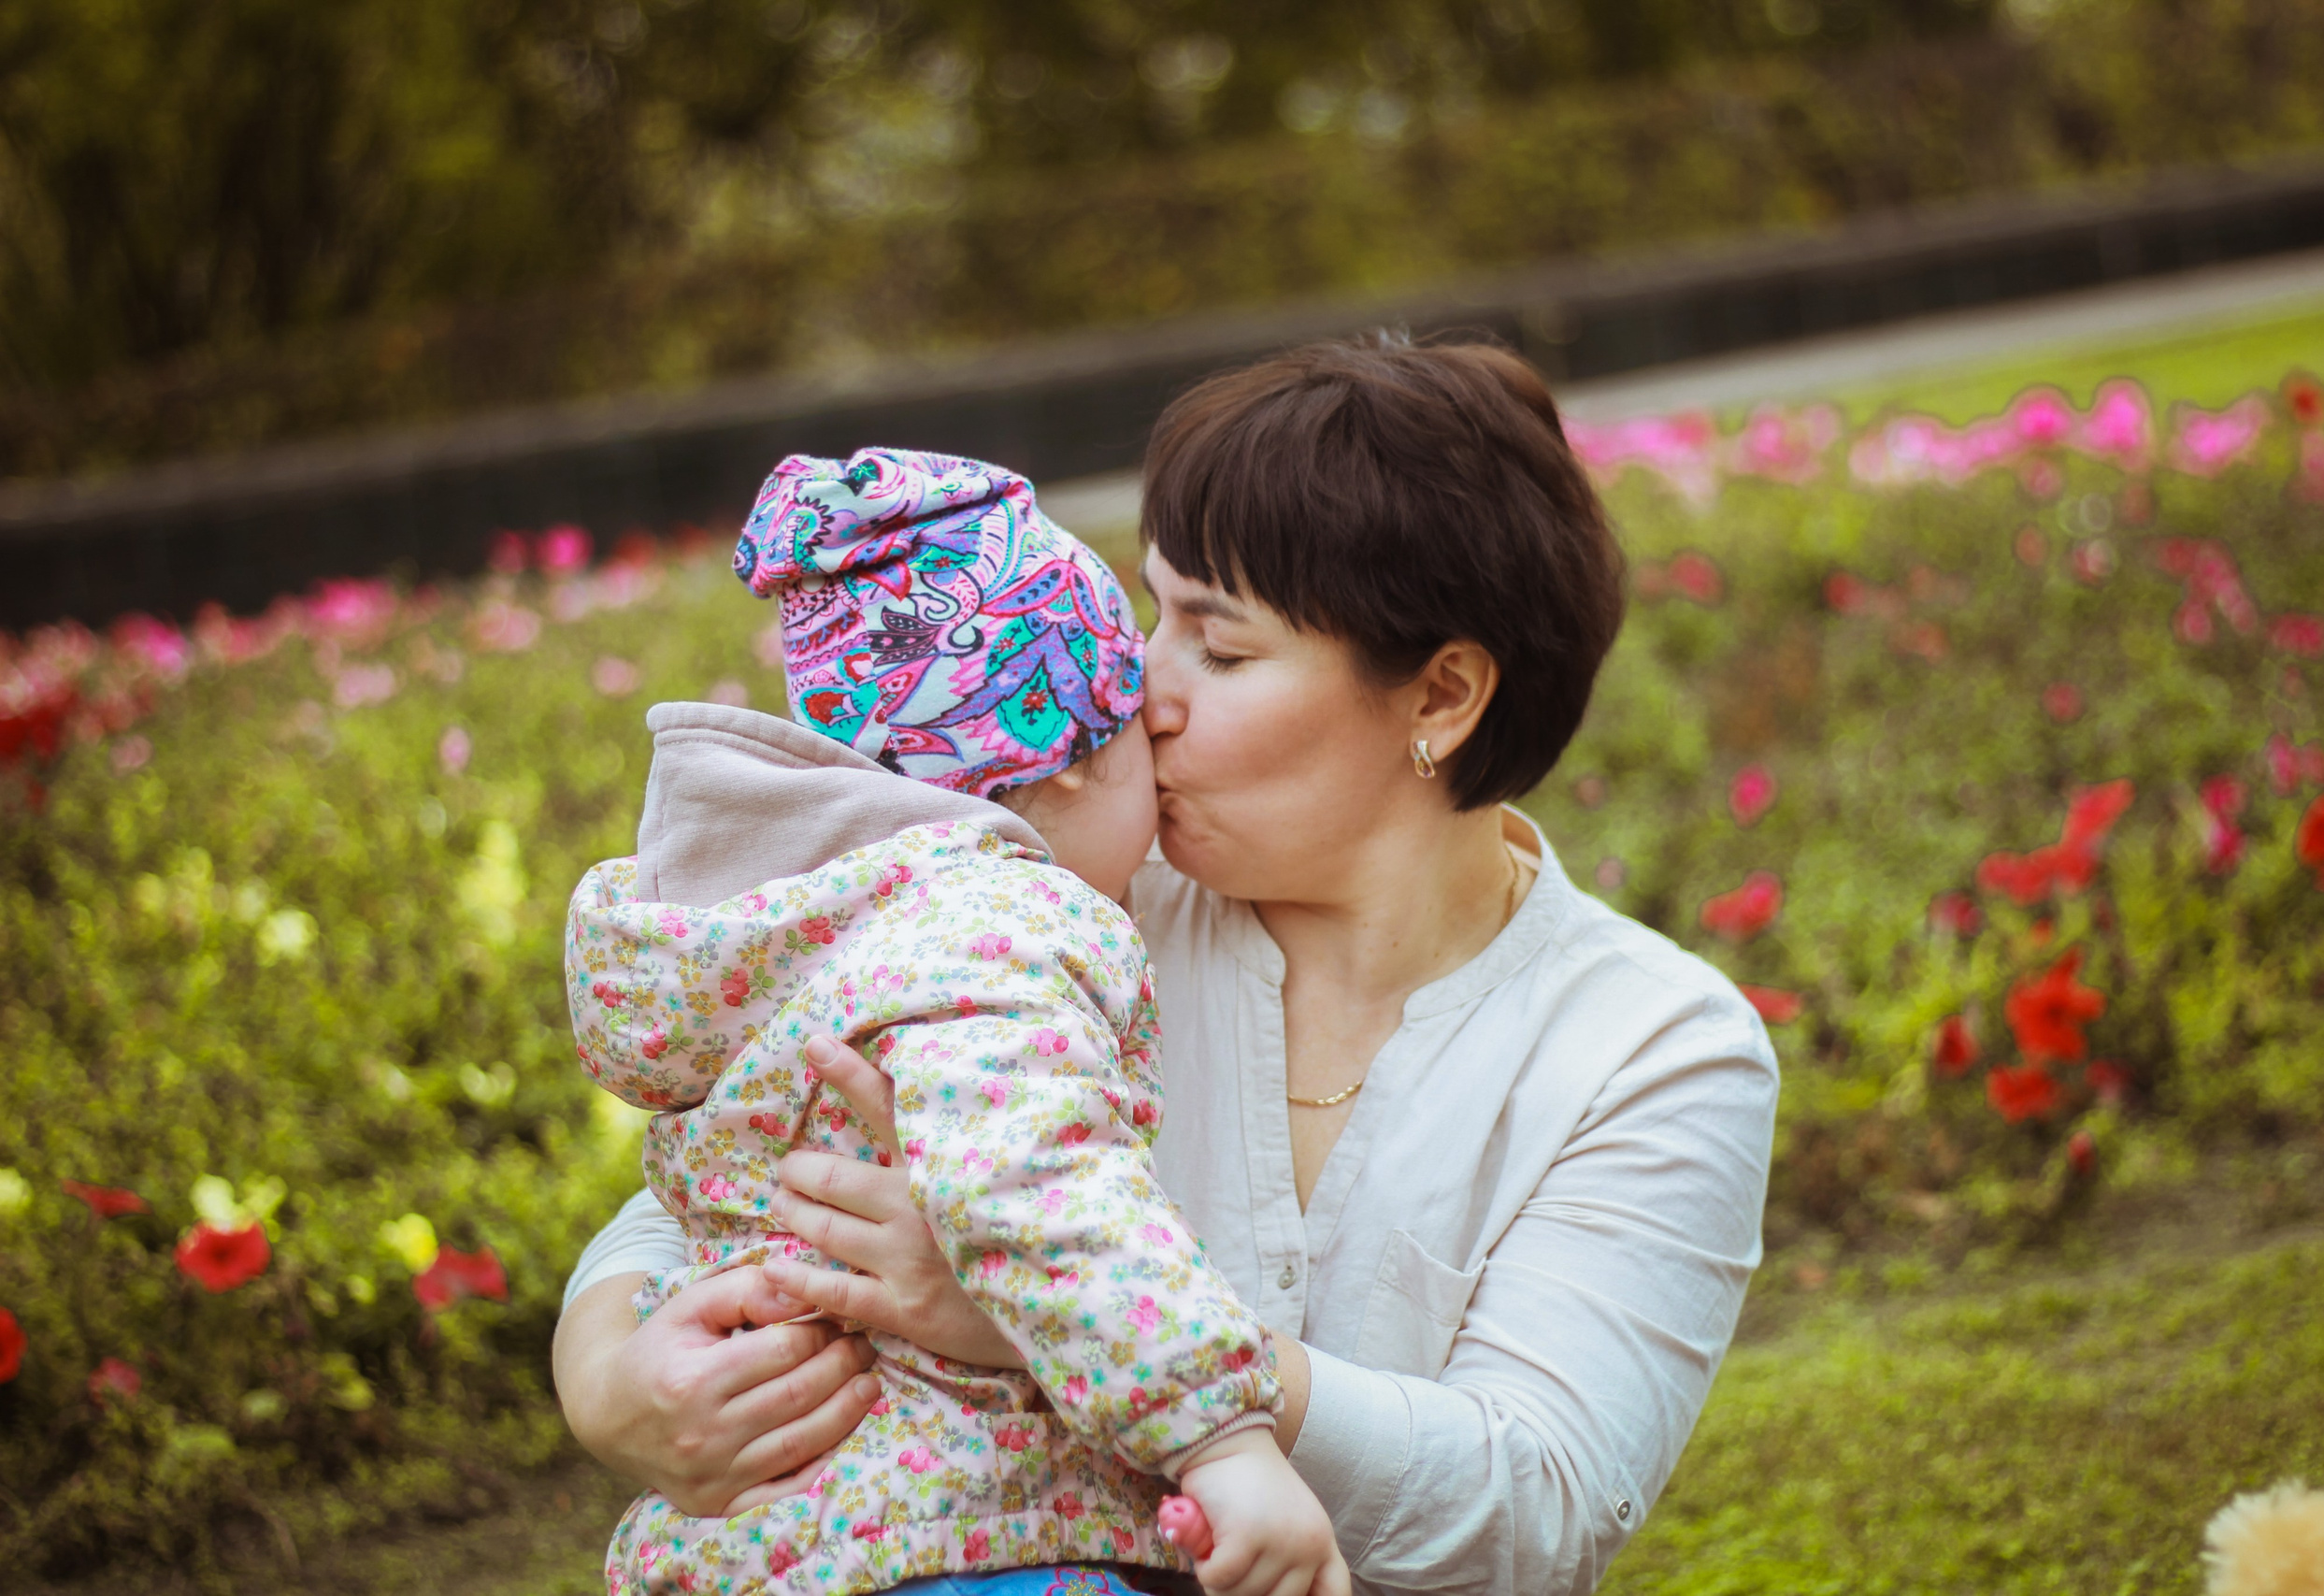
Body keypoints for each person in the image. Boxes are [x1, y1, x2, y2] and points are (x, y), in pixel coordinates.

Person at [554, 335, 1783, 1596]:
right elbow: (738, 1160)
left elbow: (1536, 1505)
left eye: (1222, 644)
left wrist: (1042, 1321)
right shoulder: (1050, 903)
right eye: (1153, 610)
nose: (1142, 684)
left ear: (1442, 696)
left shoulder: (1655, 1045)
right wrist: (608, 1376)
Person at [567, 448, 1344, 1596]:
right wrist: (1223, 1443)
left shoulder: (821, 922)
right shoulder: (1004, 923)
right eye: (1133, 713)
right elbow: (1033, 1185)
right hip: (957, 1533)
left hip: (758, 1535)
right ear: (1069, 759)